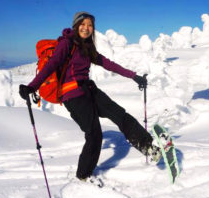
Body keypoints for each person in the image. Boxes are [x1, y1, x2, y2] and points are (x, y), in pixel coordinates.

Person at [19, 11, 161, 185]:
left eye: (90, 25)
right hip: (73, 96)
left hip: (89, 89)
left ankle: (148, 147)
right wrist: (32, 86)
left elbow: (108, 63)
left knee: (120, 115)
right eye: (83, 24)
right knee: (94, 134)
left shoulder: (87, 46)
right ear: (76, 25)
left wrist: (134, 76)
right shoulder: (66, 44)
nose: (86, 28)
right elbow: (52, 64)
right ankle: (83, 176)